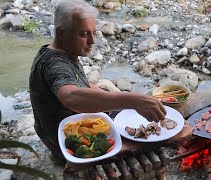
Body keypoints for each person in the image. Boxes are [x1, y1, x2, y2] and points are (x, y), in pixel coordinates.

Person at [29, 0, 166, 162]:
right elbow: (70, 96)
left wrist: (119, 98)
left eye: (93, 32)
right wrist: (132, 100)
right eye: (83, 34)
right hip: (65, 142)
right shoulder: (55, 64)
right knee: (143, 142)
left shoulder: (60, 51)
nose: (92, 41)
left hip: (57, 128)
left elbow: (81, 83)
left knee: (122, 110)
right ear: (60, 33)